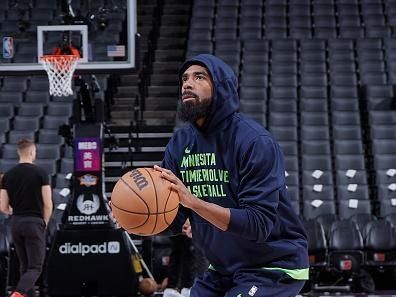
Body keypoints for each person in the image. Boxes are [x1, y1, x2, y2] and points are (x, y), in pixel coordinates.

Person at [154, 54, 309, 297]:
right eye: (184, 78)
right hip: (224, 269)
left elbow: (258, 224)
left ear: (221, 88)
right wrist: (137, 218)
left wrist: (193, 202)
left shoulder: (254, 141)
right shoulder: (179, 143)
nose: (187, 83)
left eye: (199, 77)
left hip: (274, 266)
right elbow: (174, 218)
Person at [0, 138, 53, 297]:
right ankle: (18, 294)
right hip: (34, 222)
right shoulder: (41, 173)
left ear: (18, 152)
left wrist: (15, 213)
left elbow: (2, 206)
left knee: (25, 265)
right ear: (32, 152)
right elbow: (48, 203)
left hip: (16, 223)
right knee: (35, 267)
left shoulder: (8, 176)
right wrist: (44, 221)